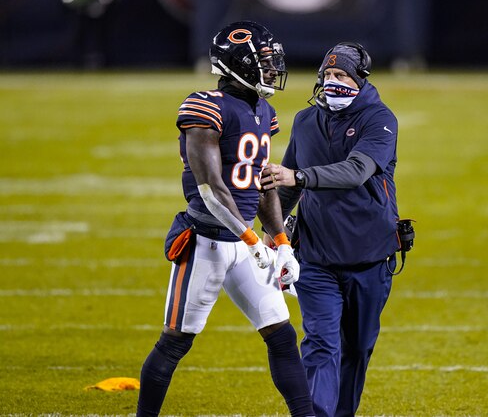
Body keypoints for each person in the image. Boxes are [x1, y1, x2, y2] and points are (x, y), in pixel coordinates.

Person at [136, 21, 314, 417]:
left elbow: (263, 182)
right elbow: (212, 191)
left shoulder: (263, 110)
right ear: (238, 64)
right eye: (264, 62)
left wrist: (280, 241)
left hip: (244, 243)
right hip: (207, 240)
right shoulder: (206, 106)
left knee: (282, 336)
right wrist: (252, 241)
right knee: (175, 342)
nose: (272, 70)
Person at [260, 43, 400, 417]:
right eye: (327, 75)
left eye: (342, 76)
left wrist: (300, 176)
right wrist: (270, 234)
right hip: (316, 257)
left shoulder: (380, 120)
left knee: (357, 348)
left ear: (359, 80)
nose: (332, 82)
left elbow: (356, 171)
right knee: (321, 343)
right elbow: (286, 187)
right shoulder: (307, 122)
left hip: (370, 256)